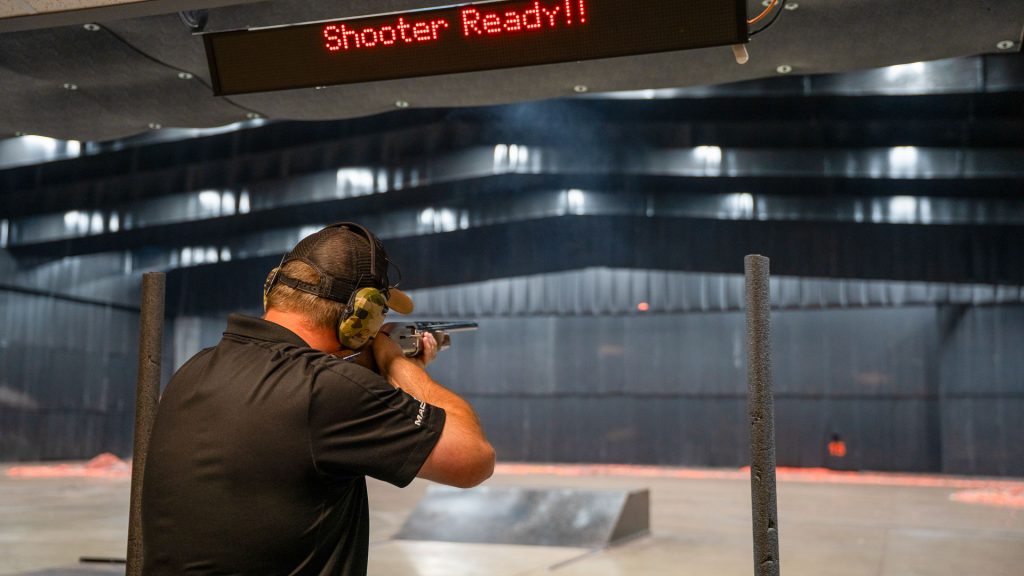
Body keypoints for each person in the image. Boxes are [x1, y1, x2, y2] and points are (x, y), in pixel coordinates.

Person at [141, 222, 495, 575]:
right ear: (362, 317)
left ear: (274, 289)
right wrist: (399, 364)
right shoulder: (326, 388)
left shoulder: (193, 370)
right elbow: (473, 460)